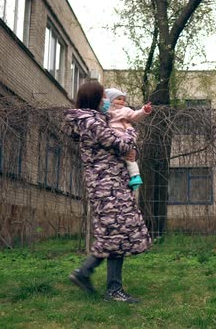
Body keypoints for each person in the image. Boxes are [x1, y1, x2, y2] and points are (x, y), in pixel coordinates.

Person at [64, 82, 151, 303]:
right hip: (107, 185)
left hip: (113, 182)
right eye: (104, 97)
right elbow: (119, 144)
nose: (107, 101)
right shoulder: (90, 121)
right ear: (95, 99)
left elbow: (121, 149)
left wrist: (132, 149)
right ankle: (110, 288)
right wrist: (131, 132)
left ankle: (86, 273)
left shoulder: (96, 120)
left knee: (114, 231)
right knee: (117, 232)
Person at [103, 88, 152, 190]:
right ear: (110, 100)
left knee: (129, 158)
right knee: (123, 157)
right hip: (111, 138)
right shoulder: (105, 111)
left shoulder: (125, 110)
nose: (122, 101)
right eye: (119, 99)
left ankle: (135, 176)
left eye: (123, 100)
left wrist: (144, 111)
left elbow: (135, 115)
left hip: (123, 136)